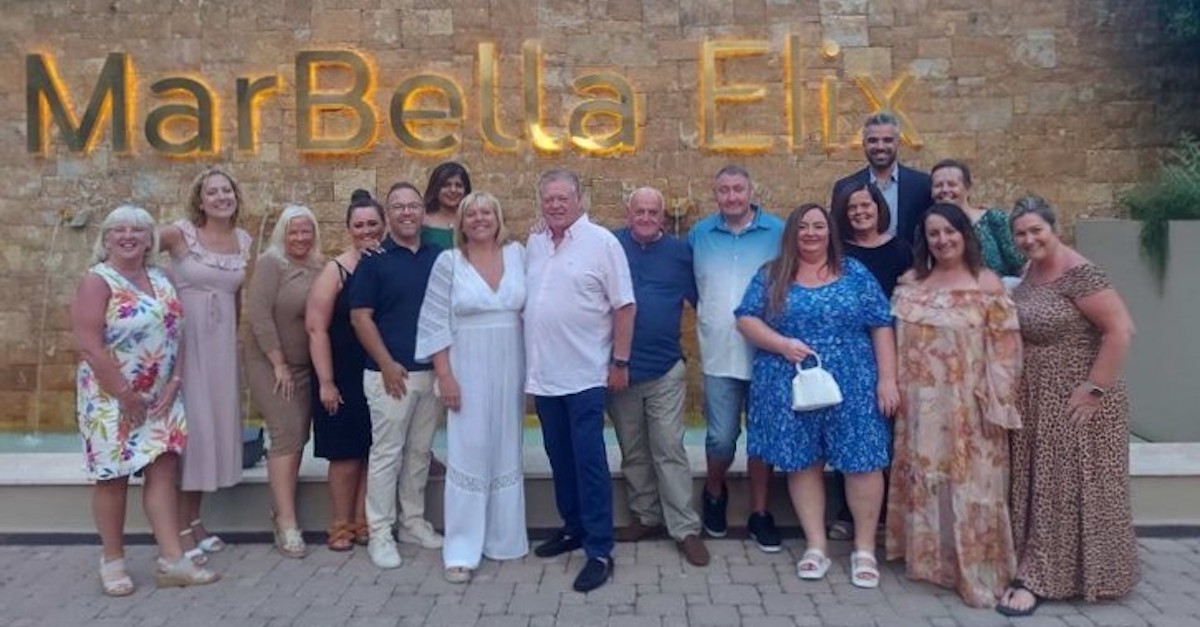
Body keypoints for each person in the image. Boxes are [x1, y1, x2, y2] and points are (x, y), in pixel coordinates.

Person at [735, 204, 898, 587]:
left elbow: (881, 324)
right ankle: (816, 546)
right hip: (791, 383)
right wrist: (781, 344)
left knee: (863, 461)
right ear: (791, 233)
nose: (810, 233)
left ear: (830, 232)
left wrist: (888, 380)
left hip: (854, 383)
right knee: (803, 461)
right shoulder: (772, 274)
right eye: (803, 226)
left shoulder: (854, 273)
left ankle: (863, 550)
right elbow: (745, 318)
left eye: (819, 226)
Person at [998, 196, 1139, 617]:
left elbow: (1121, 330)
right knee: (1045, 485)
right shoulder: (1030, 269)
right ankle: (1048, 568)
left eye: (1036, 230)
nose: (1028, 239)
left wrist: (1095, 389)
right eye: (1021, 233)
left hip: (1077, 398)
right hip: (1038, 396)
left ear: (1055, 229)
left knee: (1062, 488)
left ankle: (1040, 579)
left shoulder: (1081, 273)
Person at [73, 205, 219, 594]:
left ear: (149, 239)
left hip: (161, 396)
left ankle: (173, 560)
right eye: (119, 230)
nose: (129, 237)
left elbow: (178, 333)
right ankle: (112, 561)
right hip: (110, 398)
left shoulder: (162, 277)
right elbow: (89, 346)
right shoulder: (97, 281)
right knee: (113, 478)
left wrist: (175, 382)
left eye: (137, 230)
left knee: (163, 472)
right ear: (106, 239)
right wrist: (125, 394)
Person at [886, 203, 1023, 608]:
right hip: (920, 406)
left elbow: (1006, 350)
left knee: (974, 483)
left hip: (970, 404)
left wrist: (998, 400)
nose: (943, 240)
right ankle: (934, 562)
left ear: (965, 234)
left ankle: (978, 568)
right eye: (934, 233)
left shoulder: (987, 285)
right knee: (928, 477)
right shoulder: (912, 283)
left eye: (950, 231)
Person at [525, 169, 636, 593]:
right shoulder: (535, 243)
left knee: (589, 463)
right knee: (559, 457)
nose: (555, 205)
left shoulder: (602, 243)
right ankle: (572, 526)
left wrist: (620, 361)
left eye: (563, 198)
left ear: (578, 199)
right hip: (545, 377)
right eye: (549, 199)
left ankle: (599, 549)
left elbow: (625, 307)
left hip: (586, 375)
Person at [415, 192, 529, 584]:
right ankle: (462, 548)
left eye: (487, 212)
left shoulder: (519, 255)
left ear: (498, 218)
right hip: (467, 368)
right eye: (471, 214)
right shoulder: (448, 262)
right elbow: (434, 322)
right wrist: (445, 376)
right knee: (469, 451)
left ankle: (504, 539)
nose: (480, 219)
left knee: (507, 447)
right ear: (460, 223)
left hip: (511, 367)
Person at [608, 187, 710, 567]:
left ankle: (684, 528)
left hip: (665, 368)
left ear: (663, 217)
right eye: (641, 211)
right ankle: (646, 517)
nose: (647, 218)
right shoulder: (610, 245)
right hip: (620, 371)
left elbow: (702, 301)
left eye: (654, 212)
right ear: (628, 213)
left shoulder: (680, 253)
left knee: (668, 447)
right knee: (633, 449)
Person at [688, 165, 784, 551]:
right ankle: (714, 490)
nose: (731, 196)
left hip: (767, 353)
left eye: (738, 189)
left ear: (751, 191)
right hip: (719, 353)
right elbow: (693, 288)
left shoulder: (778, 232)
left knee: (761, 438)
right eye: (724, 190)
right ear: (715, 194)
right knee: (721, 438)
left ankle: (760, 513)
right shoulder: (699, 235)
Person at [159, 166, 253, 563]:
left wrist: (235, 339)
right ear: (200, 200)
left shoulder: (243, 240)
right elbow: (134, 244)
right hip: (186, 344)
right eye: (212, 192)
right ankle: (178, 529)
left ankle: (194, 520)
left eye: (226, 190)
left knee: (210, 429)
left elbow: (237, 297)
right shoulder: (180, 234)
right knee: (191, 434)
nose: (220, 197)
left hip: (219, 347)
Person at [350, 182, 445, 569]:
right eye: (398, 206)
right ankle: (380, 532)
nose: (407, 212)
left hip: (430, 373)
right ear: (388, 215)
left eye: (413, 205)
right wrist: (387, 363)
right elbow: (360, 317)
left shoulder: (438, 257)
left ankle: (412, 523)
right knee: (387, 456)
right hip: (390, 376)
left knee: (419, 453)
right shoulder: (374, 260)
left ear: (423, 212)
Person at [826, 181, 913, 542]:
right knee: (849, 431)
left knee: (890, 432)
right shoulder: (837, 253)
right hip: (849, 356)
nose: (860, 212)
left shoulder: (901, 250)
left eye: (866, 206)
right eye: (852, 208)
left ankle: (891, 514)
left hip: (895, 348)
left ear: (879, 208)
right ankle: (848, 512)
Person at [305, 190, 385, 551]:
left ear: (383, 225)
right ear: (349, 228)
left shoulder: (386, 263)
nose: (367, 230)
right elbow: (315, 328)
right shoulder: (335, 271)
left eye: (373, 224)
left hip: (376, 372)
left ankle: (362, 520)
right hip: (340, 373)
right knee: (345, 454)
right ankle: (339, 524)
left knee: (371, 450)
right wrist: (326, 382)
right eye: (359, 225)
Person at [245, 204, 323, 558]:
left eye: (306, 231)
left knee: (298, 436)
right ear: (282, 234)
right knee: (286, 432)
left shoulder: (319, 266)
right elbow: (258, 314)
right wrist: (278, 363)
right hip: (270, 363)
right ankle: (287, 523)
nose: (301, 238)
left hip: (305, 366)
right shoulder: (271, 263)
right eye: (294, 231)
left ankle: (282, 510)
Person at [831, 112, 932, 246]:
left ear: (898, 143)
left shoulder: (922, 185)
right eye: (873, 140)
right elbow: (836, 235)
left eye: (887, 140)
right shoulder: (844, 187)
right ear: (864, 144)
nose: (880, 147)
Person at [930, 159, 1024, 277]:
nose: (945, 190)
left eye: (952, 184)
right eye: (938, 185)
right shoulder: (928, 229)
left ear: (967, 188)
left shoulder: (994, 219)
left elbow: (1022, 265)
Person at [421, 162, 472, 250]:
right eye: (446, 185)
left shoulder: (474, 220)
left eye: (459, 185)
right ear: (435, 188)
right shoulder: (421, 220)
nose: (453, 190)